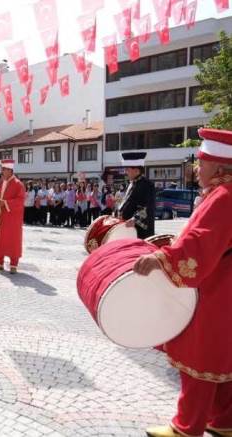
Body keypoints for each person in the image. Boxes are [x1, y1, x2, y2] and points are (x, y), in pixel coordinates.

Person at [133, 128, 232, 437]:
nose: (196, 169)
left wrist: (161, 259)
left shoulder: (223, 197)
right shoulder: (224, 193)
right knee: (224, 355)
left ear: (218, 167)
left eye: (201, 163)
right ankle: (224, 420)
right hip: (225, 285)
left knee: (201, 355)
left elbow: (200, 246)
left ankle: (187, 427)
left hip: (216, 291)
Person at [0, 159, 25, 273]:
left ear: (9, 170)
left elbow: (20, 201)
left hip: (12, 218)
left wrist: (5, 203)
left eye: (3, 170)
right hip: (0, 216)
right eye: (1, 170)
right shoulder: (1, 182)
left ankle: (13, 265)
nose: (1, 172)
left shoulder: (18, 184)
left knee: (12, 239)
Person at [116, 152, 156, 239]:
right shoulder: (132, 183)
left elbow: (147, 207)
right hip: (129, 230)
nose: (125, 172)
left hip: (140, 231)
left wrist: (134, 219)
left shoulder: (147, 184)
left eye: (128, 169)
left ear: (137, 170)